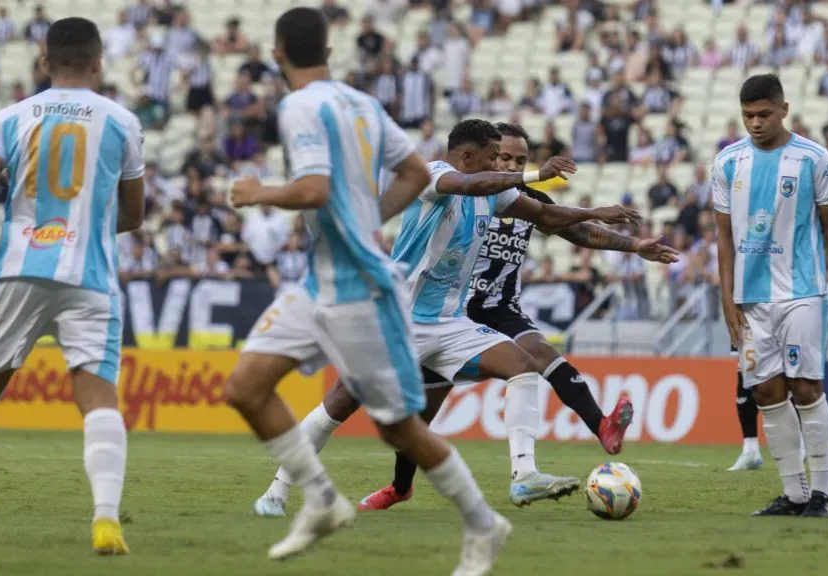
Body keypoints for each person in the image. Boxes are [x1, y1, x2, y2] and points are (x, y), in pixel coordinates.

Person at [225, 9, 510, 572]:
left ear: (278, 52)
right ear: (327, 51)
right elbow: (410, 172)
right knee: (245, 388)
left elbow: (312, 188)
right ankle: (323, 500)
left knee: (396, 426)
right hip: (322, 279)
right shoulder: (361, 103)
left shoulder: (299, 106)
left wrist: (260, 192)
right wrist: (368, 217)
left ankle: (484, 523)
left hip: (358, 288)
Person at [251, 119, 643, 516]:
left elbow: (545, 215)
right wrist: (537, 173)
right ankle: (276, 490)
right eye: (493, 157)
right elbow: (471, 185)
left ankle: (524, 476)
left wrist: (594, 212)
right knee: (338, 405)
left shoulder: (495, 194)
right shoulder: (433, 175)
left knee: (523, 368)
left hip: (449, 322)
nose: (500, 166)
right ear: (468, 156)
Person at [353, 122, 679, 510]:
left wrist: (635, 245)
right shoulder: (466, 189)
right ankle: (400, 487)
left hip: (499, 307)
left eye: (520, 160)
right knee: (423, 414)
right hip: (450, 309)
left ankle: (596, 430)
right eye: (504, 157)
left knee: (539, 356)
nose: (510, 164)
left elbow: (575, 231)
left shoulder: (521, 200)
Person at [0, 17, 145, 554]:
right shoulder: (122, 121)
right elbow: (134, 214)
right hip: (88, 277)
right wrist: (86, 222)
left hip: (20, 268)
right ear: (98, 62)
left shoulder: (9, 117)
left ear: (43, 62)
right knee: (98, 401)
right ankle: (105, 520)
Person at [713, 74, 828, 518]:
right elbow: (722, 238)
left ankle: (822, 494)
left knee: (806, 387)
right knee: (767, 393)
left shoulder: (814, 159)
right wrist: (727, 297)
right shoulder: (727, 162)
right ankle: (793, 494)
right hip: (751, 299)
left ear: (784, 109)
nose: (755, 123)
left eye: (764, 114)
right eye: (748, 115)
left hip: (802, 291)